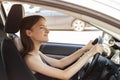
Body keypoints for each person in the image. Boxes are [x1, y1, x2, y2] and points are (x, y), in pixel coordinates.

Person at [19, 15, 103, 80]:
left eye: (46, 26)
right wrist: (90, 54)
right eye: (41, 27)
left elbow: (60, 63)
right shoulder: (30, 59)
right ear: (29, 33)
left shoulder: (36, 53)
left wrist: (84, 49)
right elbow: (64, 75)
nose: (48, 30)